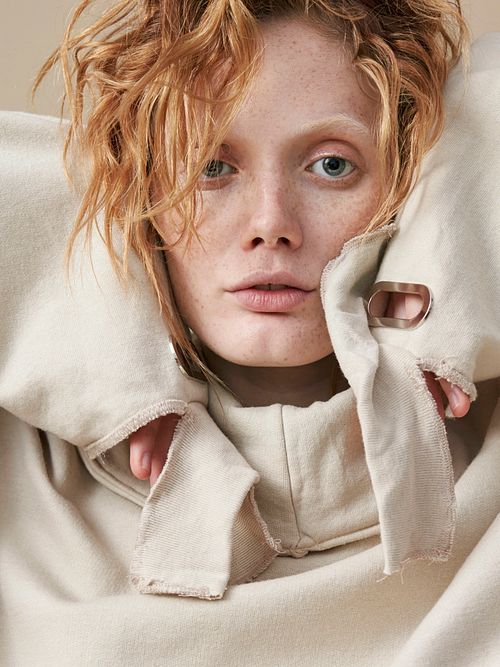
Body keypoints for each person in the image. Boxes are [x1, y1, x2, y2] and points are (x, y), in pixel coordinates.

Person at [1, 0, 499, 664]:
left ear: (413, 185)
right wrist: (110, 357)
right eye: (211, 166)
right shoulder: (28, 464)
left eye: (331, 165)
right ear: (141, 195)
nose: (271, 223)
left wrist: (449, 287)